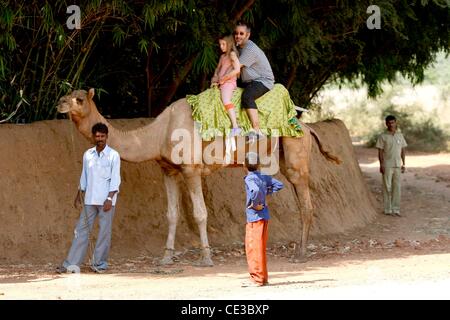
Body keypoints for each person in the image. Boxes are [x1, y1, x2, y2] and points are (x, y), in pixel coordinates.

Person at [56, 122, 121, 273]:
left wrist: (110, 199)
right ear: (93, 137)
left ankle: (99, 264)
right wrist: (78, 195)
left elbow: (115, 179)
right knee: (81, 230)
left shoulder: (113, 155)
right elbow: (84, 177)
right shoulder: (88, 155)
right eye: (97, 136)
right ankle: (70, 264)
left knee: (104, 233)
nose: (100, 139)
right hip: (89, 200)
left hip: (106, 201)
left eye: (102, 136)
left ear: (107, 137)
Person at [242, 152, 284, 287]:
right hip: (264, 216)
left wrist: (255, 204)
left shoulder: (250, 179)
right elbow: (279, 184)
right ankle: (263, 278)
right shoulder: (264, 177)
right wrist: (266, 193)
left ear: (244, 165)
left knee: (253, 248)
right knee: (261, 247)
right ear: (259, 165)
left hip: (255, 217)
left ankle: (257, 279)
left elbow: (254, 191)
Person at [234, 21, 275, 142]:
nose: (238, 36)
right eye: (236, 33)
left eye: (241, 33)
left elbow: (236, 68)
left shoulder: (250, 49)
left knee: (247, 96)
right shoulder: (239, 48)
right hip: (249, 81)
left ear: (248, 35)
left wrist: (220, 79)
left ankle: (256, 130)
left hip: (262, 80)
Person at [376, 115, 407, 217]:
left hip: (398, 165)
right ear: (386, 123)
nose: (391, 124)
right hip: (387, 165)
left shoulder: (400, 135)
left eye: (392, 122)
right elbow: (380, 151)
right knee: (387, 187)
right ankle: (387, 209)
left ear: (396, 122)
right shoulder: (382, 136)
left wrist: (404, 164)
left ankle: (396, 209)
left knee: (397, 187)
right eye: (389, 123)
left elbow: (403, 150)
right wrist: (381, 164)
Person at [211, 34, 242, 137]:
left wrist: (224, 78)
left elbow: (237, 69)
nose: (221, 47)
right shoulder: (222, 56)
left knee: (225, 100)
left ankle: (235, 126)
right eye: (220, 44)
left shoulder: (232, 54)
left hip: (229, 83)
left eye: (223, 44)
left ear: (229, 44)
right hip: (220, 82)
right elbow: (217, 68)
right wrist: (215, 77)